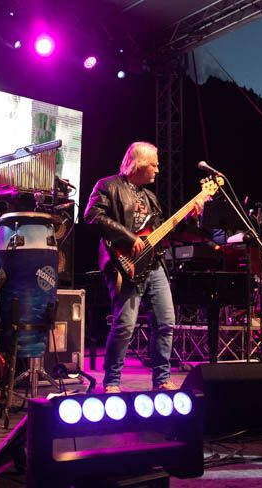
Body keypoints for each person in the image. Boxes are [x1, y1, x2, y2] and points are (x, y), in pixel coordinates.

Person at [83, 141, 203, 393]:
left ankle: (162, 379)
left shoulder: (151, 198)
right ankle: (112, 381)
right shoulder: (108, 186)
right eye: (154, 165)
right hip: (124, 264)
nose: (158, 170)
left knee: (166, 322)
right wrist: (129, 238)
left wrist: (190, 217)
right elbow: (93, 215)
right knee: (125, 325)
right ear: (139, 164)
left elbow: (164, 233)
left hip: (155, 265)